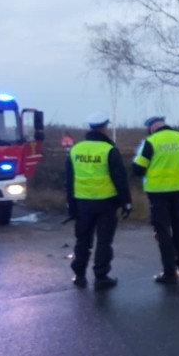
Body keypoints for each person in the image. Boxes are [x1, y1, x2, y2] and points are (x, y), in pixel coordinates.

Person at [65, 111, 132, 290]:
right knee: (104, 241)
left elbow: (69, 181)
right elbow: (120, 179)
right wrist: (126, 202)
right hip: (106, 203)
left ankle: (79, 275)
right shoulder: (109, 150)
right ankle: (101, 277)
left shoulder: (76, 149)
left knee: (83, 241)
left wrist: (71, 206)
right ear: (104, 128)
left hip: (82, 203)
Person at [133, 116, 179, 285]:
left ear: (152, 127)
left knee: (163, 233)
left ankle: (169, 272)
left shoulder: (151, 142)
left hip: (158, 194)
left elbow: (138, 168)